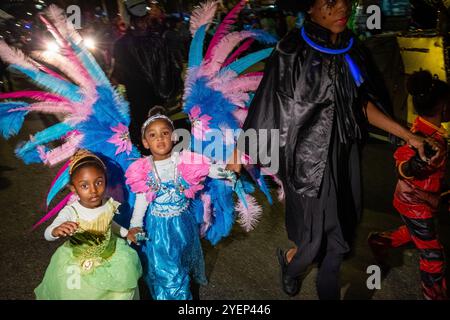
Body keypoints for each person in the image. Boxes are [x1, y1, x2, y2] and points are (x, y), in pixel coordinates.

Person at [227, 0, 444, 300]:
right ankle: (292, 265)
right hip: (307, 160)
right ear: (311, 8)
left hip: (343, 157)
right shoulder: (291, 51)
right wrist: (242, 148)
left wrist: (410, 137)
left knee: (340, 241)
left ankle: (303, 267)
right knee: (314, 242)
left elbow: (361, 104)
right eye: (330, 1)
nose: (342, 7)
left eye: (345, 0)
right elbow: (268, 101)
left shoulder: (351, 49)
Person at [124, 107, 235, 300]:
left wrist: (229, 172)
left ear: (174, 137)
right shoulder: (142, 169)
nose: (160, 138)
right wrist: (135, 225)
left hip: (184, 225)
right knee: (170, 273)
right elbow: (142, 201)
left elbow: (210, 169)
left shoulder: (186, 160)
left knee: (181, 261)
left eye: (165, 133)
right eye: (153, 135)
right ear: (145, 142)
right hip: (159, 230)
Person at [368, 70, 449, 300]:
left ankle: (380, 241)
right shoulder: (423, 137)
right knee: (433, 255)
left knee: (417, 232)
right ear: (443, 107)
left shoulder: (429, 130)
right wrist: (415, 164)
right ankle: (434, 295)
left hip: (419, 201)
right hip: (415, 204)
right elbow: (401, 165)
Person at [34, 149, 142, 300]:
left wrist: (126, 233)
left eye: (98, 182)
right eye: (84, 186)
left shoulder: (108, 204)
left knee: (116, 293)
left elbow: (109, 224)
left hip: (111, 258)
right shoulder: (71, 211)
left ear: (105, 180)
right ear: (73, 188)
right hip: (78, 266)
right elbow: (47, 233)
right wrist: (55, 231)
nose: (93, 191)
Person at [111, 1, 181, 152]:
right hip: (158, 104)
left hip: (136, 105)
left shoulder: (121, 45)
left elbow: (117, 77)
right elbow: (170, 75)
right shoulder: (158, 41)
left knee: (144, 143)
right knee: (163, 141)